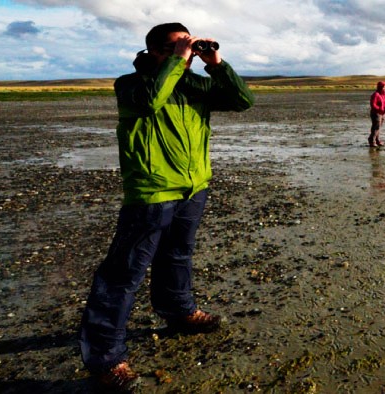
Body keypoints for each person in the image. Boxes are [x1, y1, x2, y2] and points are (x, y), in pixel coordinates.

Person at [78, 22, 254, 391]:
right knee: (124, 273)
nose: (187, 52)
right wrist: (176, 62)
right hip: (153, 189)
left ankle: (179, 311)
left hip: (193, 186)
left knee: (178, 254)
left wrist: (216, 63)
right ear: (156, 51)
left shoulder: (195, 84)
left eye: (189, 45)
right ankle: (105, 357)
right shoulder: (130, 84)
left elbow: (242, 101)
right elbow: (150, 101)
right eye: (179, 46)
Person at [368, 81, 385, 147]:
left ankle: (377, 140)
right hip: (376, 113)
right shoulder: (375, 94)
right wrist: (380, 109)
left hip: (383, 113)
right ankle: (372, 140)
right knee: (376, 127)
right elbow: (373, 105)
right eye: (384, 86)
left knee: (379, 127)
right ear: (380, 87)